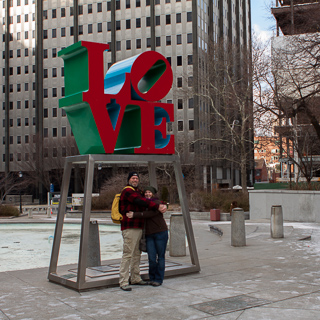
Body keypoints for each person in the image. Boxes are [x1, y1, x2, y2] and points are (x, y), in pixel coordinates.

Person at [119, 172, 167, 291]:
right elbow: (141, 202)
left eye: (136, 178)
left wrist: (162, 204)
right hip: (129, 227)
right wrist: (158, 206)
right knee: (128, 254)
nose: (135, 180)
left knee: (136, 254)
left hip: (139, 228)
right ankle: (123, 281)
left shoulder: (138, 192)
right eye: (133, 178)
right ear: (128, 180)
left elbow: (151, 200)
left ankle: (135, 277)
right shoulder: (127, 191)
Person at [126, 186, 168, 287]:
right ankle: (152, 278)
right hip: (149, 234)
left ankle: (158, 279)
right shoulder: (144, 204)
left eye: (149, 192)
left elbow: (150, 213)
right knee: (152, 258)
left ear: (153, 194)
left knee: (160, 257)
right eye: (145, 192)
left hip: (160, 232)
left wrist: (135, 214)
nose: (147, 194)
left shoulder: (157, 203)